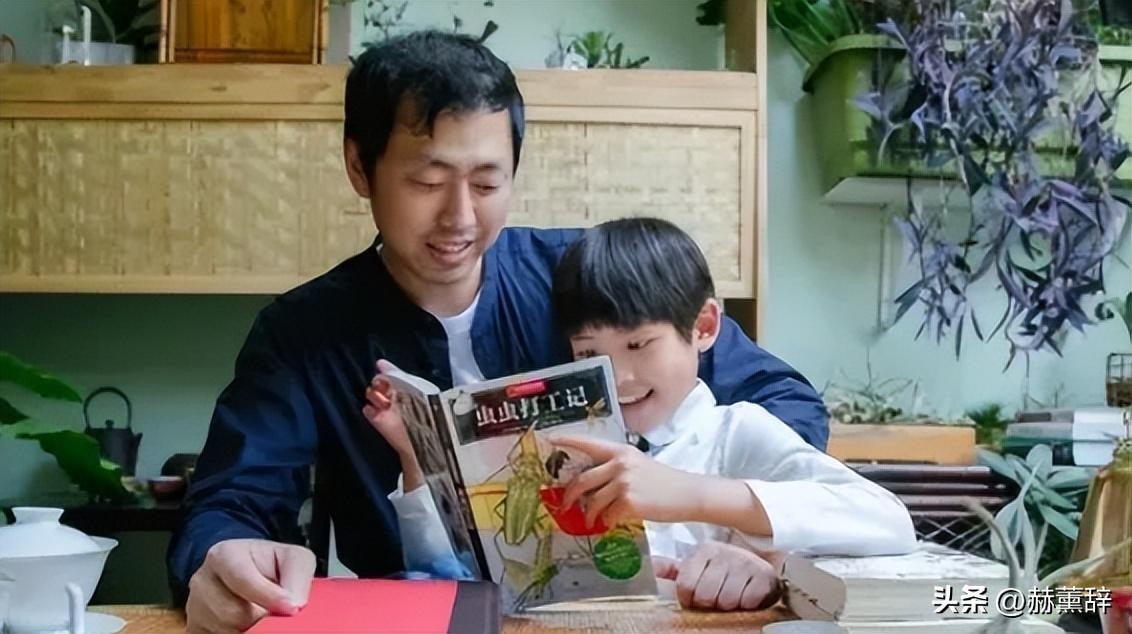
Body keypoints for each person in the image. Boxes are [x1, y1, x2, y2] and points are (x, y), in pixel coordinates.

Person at [169, 31, 828, 633]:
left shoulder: (585, 279)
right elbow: (233, 502)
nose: (459, 216)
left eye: (487, 182)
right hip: (416, 621)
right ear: (359, 168)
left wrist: (745, 542)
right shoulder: (304, 332)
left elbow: (782, 401)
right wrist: (221, 557)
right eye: (427, 180)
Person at [364, 218, 916, 612]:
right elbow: (447, 574)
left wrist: (697, 500)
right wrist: (418, 460)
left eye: (638, 345)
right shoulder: (561, 450)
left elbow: (887, 519)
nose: (619, 377)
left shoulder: (737, 431)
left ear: (703, 328)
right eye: (589, 353)